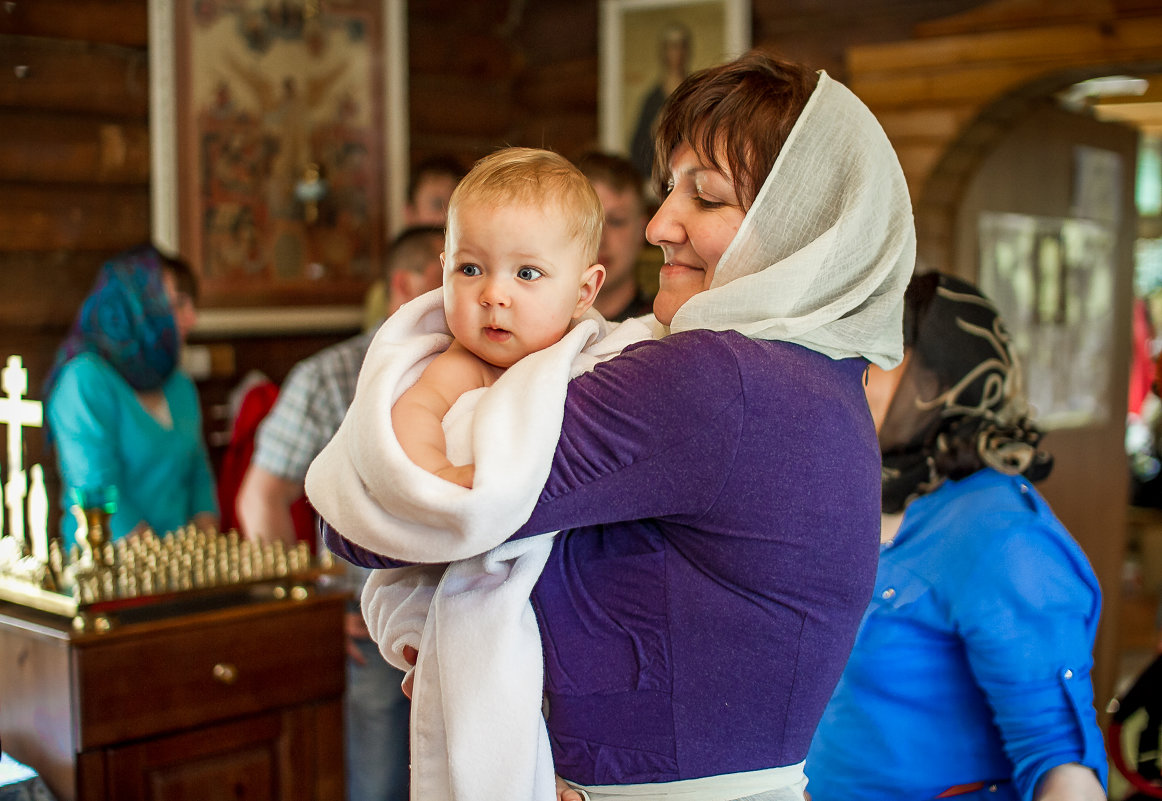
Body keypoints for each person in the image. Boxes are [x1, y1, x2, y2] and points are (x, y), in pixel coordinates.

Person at [319, 50, 915, 801]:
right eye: (669, 188)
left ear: (799, 228)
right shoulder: (823, 381)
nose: (663, 223)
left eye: (708, 198)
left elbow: (381, 512)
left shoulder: (715, 379)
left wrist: (433, 399)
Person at [805, 273, 1107, 801]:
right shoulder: (870, 498)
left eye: (876, 358)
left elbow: (1064, 766)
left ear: (933, 387)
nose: (852, 374)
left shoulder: (1003, 535)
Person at [236, 225, 444, 801]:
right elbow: (260, 497)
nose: (462, 292)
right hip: (370, 618)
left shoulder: (488, 365)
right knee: (376, 785)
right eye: (448, 273)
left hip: (462, 618)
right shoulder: (328, 376)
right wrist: (312, 607)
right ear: (404, 285)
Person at [392, 147, 606, 488]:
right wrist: (439, 474)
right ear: (445, 271)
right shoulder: (466, 364)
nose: (492, 295)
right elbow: (413, 412)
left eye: (526, 273)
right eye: (470, 269)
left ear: (583, 293)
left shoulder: (602, 355)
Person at [45, 244, 218, 545]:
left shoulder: (178, 384)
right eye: (178, 304)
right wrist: (166, 570)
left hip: (179, 572)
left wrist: (204, 548)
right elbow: (97, 493)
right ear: (132, 307)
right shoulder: (85, 381)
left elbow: (198, 476)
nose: (192, 319)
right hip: (107, 570)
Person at [362, 155, 466, 331]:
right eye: (437, 204)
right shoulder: (381, 294)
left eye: (458, 207)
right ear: (410, 213)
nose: (449, 219)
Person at [575, 151, 654, 322]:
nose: (600, 239)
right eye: (587, 221)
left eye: (616, 221)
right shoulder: (533, 327)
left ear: (642, 230)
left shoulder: (660, 328)